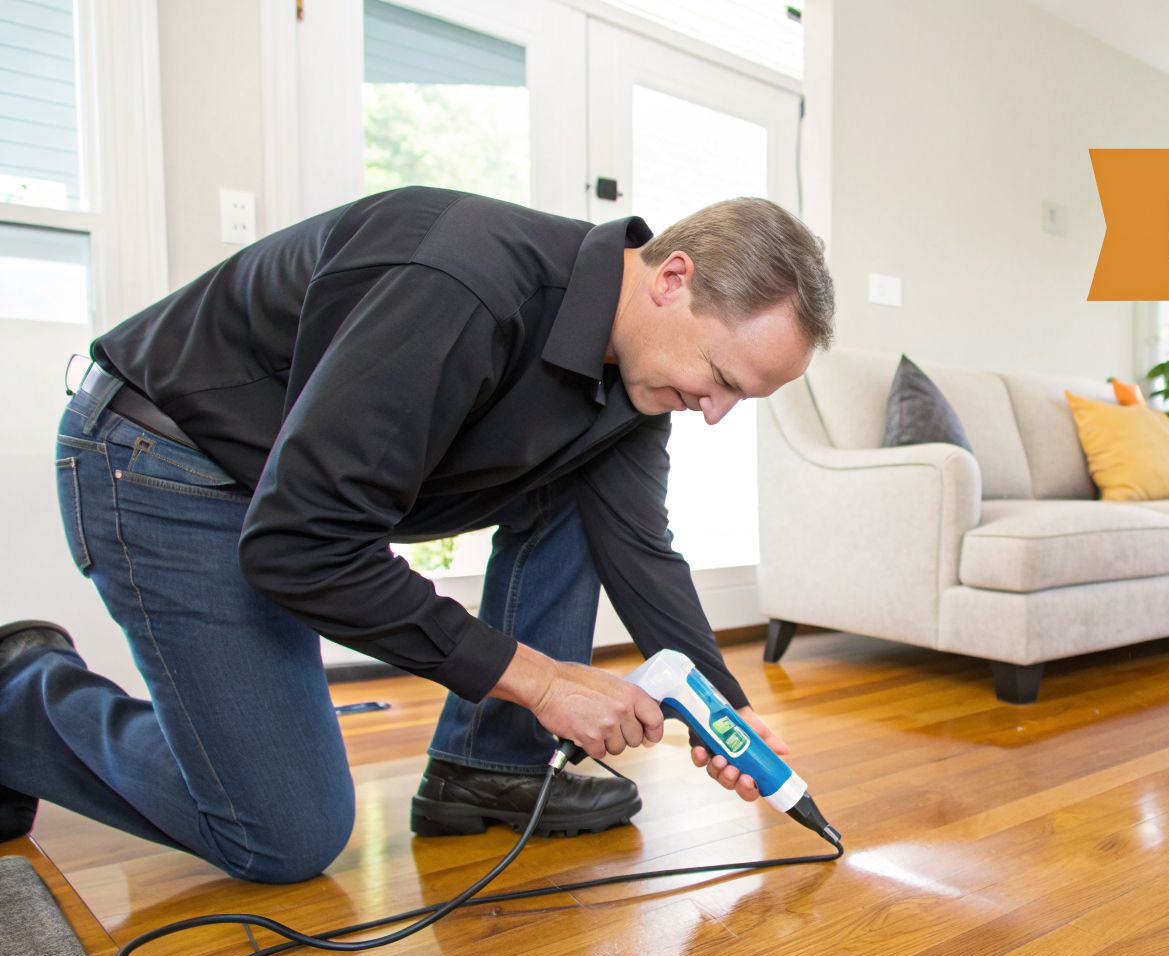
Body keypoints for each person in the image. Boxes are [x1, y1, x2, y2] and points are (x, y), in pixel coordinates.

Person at [0, 186, 834, 883]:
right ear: (672, 279)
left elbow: (639, 548)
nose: (715, 412)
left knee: (583, 500)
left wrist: (722, 709)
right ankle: (21, 699)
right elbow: (306, 544)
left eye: (740, 399)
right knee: (284, 835)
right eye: (721, 379)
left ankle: (489, 767)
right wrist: (543, 683)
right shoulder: (465, 283)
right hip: (165, 464)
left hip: (286, 499)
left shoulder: (640, 382)